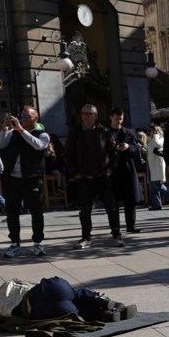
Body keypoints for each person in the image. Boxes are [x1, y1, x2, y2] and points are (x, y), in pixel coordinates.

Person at [0, 276, 137, 331]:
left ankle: (104, 315)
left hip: (50, 310)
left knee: (78, 311)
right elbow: (18, 281)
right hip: (53, 288)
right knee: (77, 294)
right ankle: (104, 302)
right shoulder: (1, 293)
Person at [62, 104, 122, 248]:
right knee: (85, 210)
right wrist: (75, 173)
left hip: (102, 175)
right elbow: (68, 154)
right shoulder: (75, 132)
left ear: (95, 116)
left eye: (89, 113)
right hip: (84, 177)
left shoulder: (104, 131)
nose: (86, 116)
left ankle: (116, 235)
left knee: (111, 208)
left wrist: (110, 170)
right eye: (83, 113)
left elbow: (113, 152)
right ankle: (86, 238)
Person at [0, 109, 51, 257]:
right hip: (12, 178)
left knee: (36, 211)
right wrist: (4, 130)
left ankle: (38, 243)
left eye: (27, 116)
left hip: (32, 177)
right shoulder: (12, 134)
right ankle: (14, 243)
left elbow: (38, 145)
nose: (23, 119)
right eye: (21, 116)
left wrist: (20, 130)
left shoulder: (42, 134)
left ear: (35, 118)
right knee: (12, 212)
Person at [105, 108, 141, 234]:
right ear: (111, 117)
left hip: (127, 168)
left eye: (120, 118)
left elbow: (137, 149)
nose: (119, 121)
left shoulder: (129, 133)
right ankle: (115, 228)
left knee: (130, 199)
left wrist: (128, 147)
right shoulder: (105, 132)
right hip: (112, 170)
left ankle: (131, 225)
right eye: (116, 118)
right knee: (113, 201)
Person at [143, 122, 168, 213]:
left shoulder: (158, 138)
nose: (149, 132)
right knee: (152, 188)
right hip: (152, 165)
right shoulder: (153, 139)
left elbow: (158, 145)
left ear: (155, 130)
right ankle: (156, 204)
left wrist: (156, 136)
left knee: (158, 186)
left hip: (156, 165)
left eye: (151, 130)